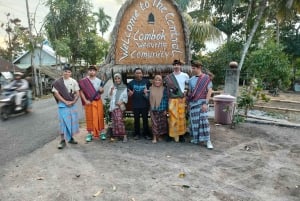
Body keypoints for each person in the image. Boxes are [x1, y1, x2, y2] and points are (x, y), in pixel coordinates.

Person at [52, 65, 80, 149]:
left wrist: (73, 101)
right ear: (62, 72)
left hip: (72, 104)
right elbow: (56, 93)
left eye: (68, 72)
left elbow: (77, 93)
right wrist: (65, 102)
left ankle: (71, 138)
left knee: (71, 122)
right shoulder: (58, 82)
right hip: (62, 105)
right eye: (65, 71)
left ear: (71, 73)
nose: (67, 73)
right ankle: (62, 140)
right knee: (63, 123)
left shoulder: (74, 81)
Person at [187, 61, 213, 149]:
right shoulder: (190, 80)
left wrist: (206, 103)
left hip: (202, 103)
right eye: (192, 68)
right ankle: (196, 139)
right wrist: (188, 103)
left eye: (193, 68)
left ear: (199, 68)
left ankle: (208, 141)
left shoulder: (206, 78)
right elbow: (190, 92)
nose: (192, 69)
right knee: (194, 123)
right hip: (193, 104)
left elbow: (209, 91)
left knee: (204, 122)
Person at [164, 59, 189, 142]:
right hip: (172, 99)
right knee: (172, 117)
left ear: (180, 66)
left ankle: (181, 135)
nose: (176, 66)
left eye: (177, 64)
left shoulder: (185, 75)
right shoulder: (169, 77)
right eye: (174, 65)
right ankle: (171, 135)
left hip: (181, 99)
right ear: (173, 66)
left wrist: (185, 91)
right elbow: (167, 89)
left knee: (181, 117)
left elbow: (188, 86)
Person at [79, 65, 105, 142]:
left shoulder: (99, 81)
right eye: (90, 70)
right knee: (89, 117)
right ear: (88, 71)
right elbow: (81, 92)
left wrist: (101, 90)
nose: (92, 71)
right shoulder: (84, 81)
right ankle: (89, 133)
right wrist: (85, 101)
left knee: (100, 116)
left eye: (93, 70)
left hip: (98, 101)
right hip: (89, 102)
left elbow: (102, 92)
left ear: (96, 72)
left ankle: (102, 132)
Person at [127, 68, 151, 140]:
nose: (138, 74)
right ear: (134, 74)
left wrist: (147, 93)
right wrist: (130, 94)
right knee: (136, 120)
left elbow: (150, 92)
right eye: (137, 73)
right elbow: (128, 94)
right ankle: (137, 134)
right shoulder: (131, 83)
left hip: (144, 104)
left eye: (140, 73)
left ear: (142, 74)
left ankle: (146, 134)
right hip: (135, 104)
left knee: (145, 120)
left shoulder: (147, 82)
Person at [147, 75, 168, 144]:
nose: (157, 81)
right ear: (153, 81)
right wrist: (145, 94)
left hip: (161, 108)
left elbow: (165, 99)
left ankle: (159, 136)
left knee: (161, 123)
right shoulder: (150, 88)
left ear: (161, 81)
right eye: (156, 80)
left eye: (159, 80)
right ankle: (154, 137)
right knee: (154, 123)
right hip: (153, 109)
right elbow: (148, 98)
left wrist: (165, 109)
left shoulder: (164, 89)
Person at [108, 73, 128, 142]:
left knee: (120, 121)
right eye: (115, 79)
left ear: (121, 79)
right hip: (113, 106)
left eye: (118, 78)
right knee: (114, 121)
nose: (117, 80)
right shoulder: (112, 86)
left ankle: (124, 135)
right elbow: (109, 96)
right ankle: (117, 135)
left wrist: (121, 102)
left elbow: (126, 98)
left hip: (119, 107)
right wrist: (111, 90)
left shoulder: (124, 87)